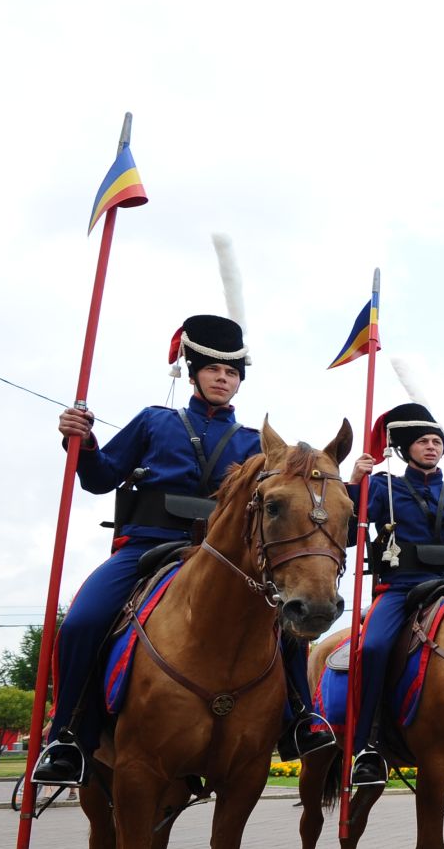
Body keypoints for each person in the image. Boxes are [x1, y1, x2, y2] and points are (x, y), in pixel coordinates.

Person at [32, 315, 327, 786]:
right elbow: (100, 477)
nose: (222, 379)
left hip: (223, 560)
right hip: (147, 547)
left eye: (231, 373)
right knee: (84, 620)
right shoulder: (155, 421)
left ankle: (300, 719)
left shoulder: (256, 444)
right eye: (213, 370)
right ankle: (69, 734)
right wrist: (83, 442)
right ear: (193, 374)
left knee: (285, 628)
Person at [344, 401, 444, 786]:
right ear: (405, 448)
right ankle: (368, 744)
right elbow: (347, 534)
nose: (431, 447)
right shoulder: (383, 487)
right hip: (398, 589)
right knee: (374, 646)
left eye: (437, 441)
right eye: (423, 441)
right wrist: (354, 483)